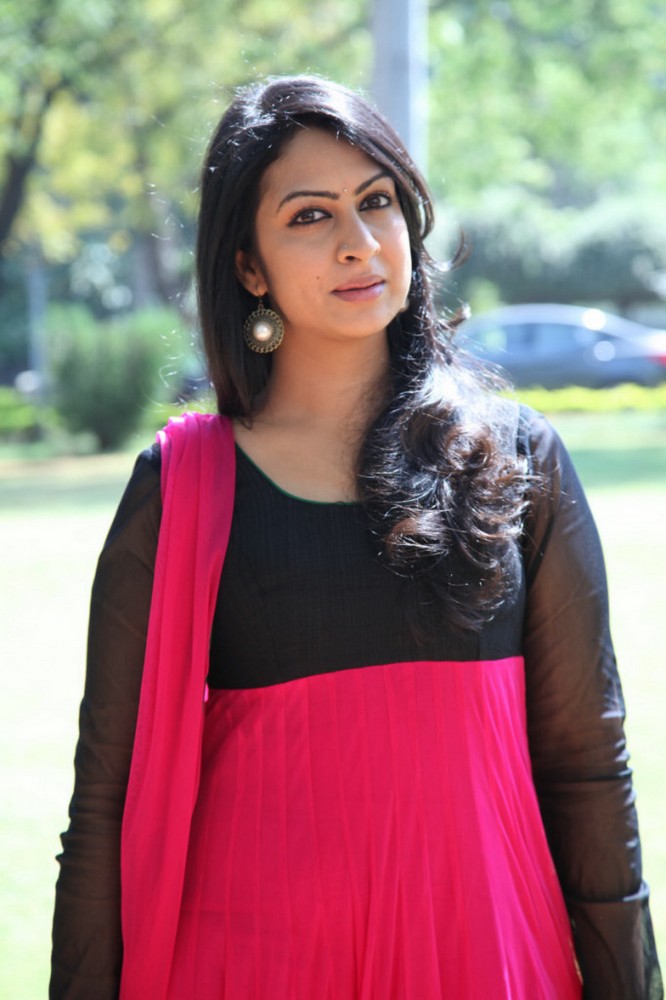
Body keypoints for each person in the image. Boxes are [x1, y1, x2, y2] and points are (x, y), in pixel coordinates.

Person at [50, 75, 662, 999]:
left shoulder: (516, 461)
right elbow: (105, 800)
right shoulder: (182, 490)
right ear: (249, 267)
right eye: (309, 215)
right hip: (248, 964)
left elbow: (587, 767)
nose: (359, 241)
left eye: (377, 202)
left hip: (485, 953)